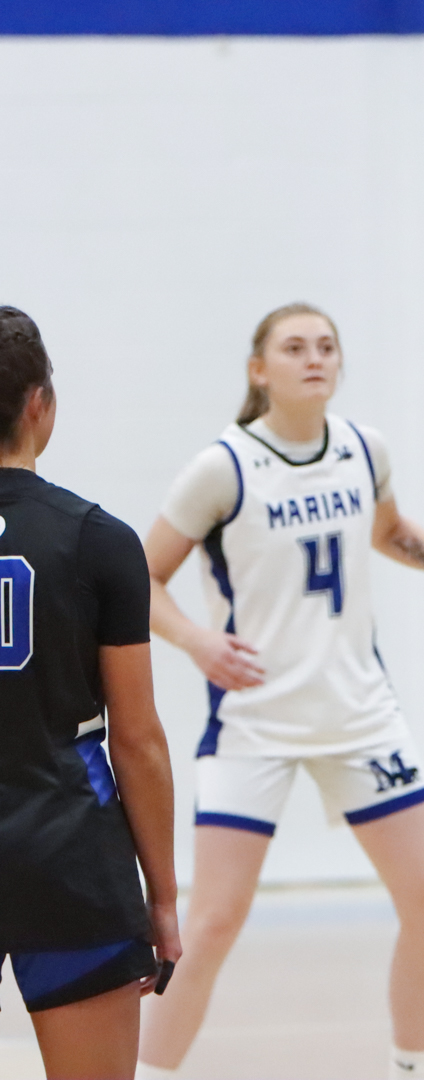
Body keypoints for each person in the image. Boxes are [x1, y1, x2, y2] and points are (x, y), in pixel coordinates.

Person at [139, 304, 424, 1080]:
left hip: (361, 716)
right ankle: (147, 1074)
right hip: (254, 721)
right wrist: (197, 641)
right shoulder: (223, 467)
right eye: (294, 348)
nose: (314, 359)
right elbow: (140, 576)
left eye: (326, 347)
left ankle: (412, 1068)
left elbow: (387, 531)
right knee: (214, 922)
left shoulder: (364, 450)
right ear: (259, 369)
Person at [0, 306, 182, 1080]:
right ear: (40, 403)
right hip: (68, 854)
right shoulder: (98, 539)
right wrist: (163, 898)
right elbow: (135, 737)